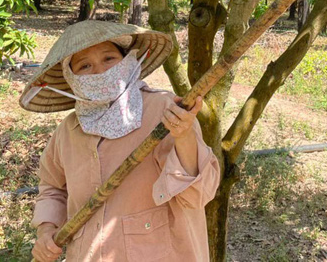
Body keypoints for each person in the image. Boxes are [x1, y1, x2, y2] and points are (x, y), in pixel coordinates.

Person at [19, 21, 220, 262]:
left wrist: (184, 136)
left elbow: (197, 196)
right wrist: (46, 230)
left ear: (128, 60)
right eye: (84, 66)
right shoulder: (68, 131)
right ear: (71, 79)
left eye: (109, 59)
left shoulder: (165, 111)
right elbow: (52, 187)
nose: (100, 71)